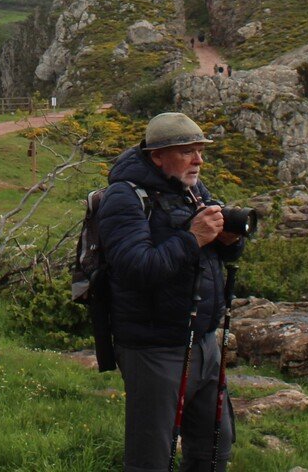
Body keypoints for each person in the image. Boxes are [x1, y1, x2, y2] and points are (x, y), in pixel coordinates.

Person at [97, 112, 244, 472]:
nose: (198, 160)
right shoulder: (124, 197)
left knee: (214, 448)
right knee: (152, 458)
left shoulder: (192, 189)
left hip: (204, 342)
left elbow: (214, 252)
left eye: (200, 150)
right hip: (154, 348)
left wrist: (230, 241)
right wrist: (193, 237)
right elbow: (137, 268)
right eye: (187, 151)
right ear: (158, 156)